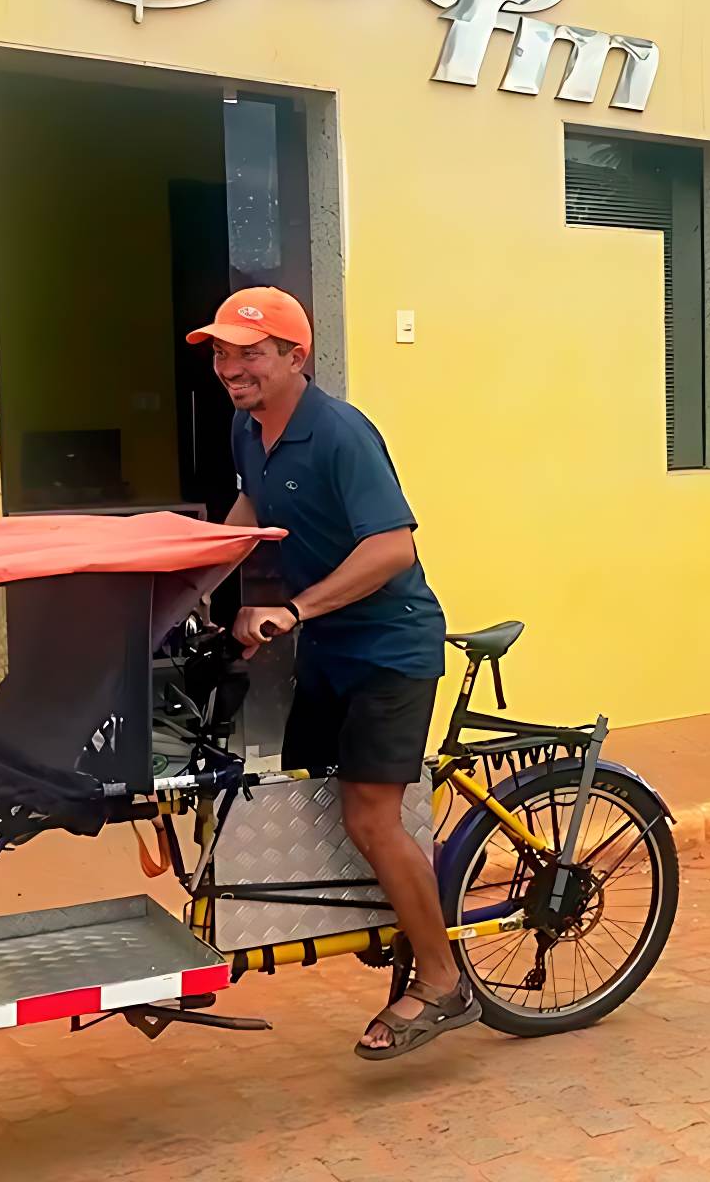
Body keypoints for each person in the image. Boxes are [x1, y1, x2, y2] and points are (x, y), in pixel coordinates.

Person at [186, 287, 480, 1058]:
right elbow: (252, 509)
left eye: (250, 353)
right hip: (328, 647)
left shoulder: (342, 432)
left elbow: (393, 547)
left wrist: (294, 610)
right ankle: (390, 919)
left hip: (389, 647)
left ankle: (444, 982)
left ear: (295, 356)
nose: (231, 368)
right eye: (222, 354)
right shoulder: (248, 428)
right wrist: (191, 587)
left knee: (369, 817)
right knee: (306, 791)